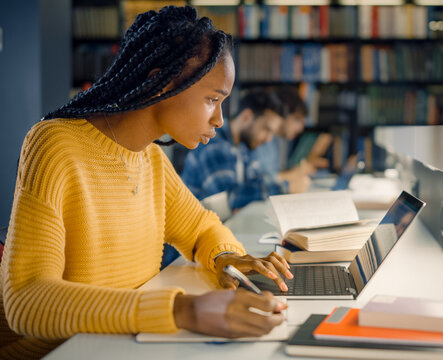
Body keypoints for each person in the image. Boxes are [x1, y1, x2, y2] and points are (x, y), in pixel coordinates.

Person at [0, 6, 293, 358]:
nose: (219, 119)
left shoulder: (150, 158)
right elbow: (27, 301)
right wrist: (183, 310)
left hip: (122, 345)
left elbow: (202, 228)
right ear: (162, 82)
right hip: (59, 351)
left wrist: (227, 258)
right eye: (212, 100)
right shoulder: (55, 145)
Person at [181, 90, 310, 211]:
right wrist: (286, 187)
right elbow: (228, 199)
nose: (269, 139)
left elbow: (256, 182)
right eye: (266, 129)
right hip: (194, 231)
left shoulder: (243, 146)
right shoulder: (214, 144)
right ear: (246, 117)